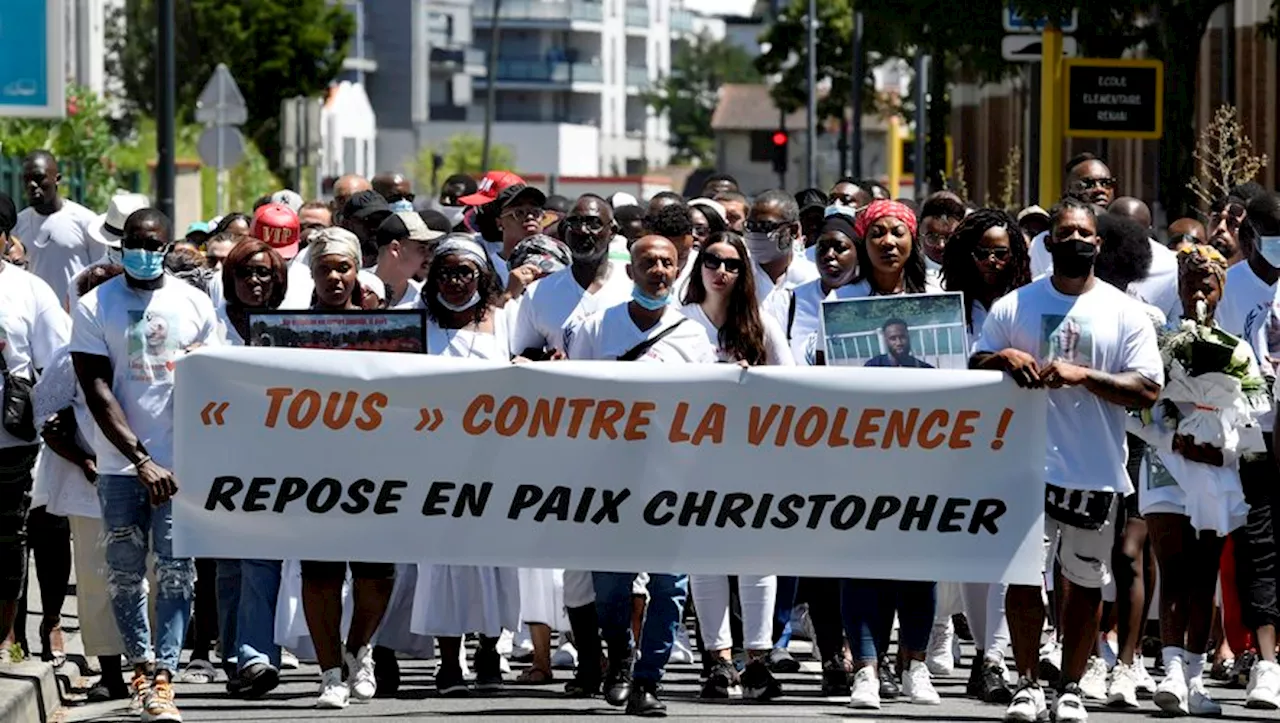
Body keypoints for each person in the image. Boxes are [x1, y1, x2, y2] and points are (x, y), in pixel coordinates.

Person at [972, 197, 1163, 723]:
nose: (1076, 241)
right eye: (1066, 233)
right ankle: (1028, 684)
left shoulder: (1124, 312)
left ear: (1098, 244)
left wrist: (1085, 378)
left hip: (1093, 470)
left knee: (1083, 582)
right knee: (1024, 580)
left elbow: (1146, 388)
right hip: (1023, 467)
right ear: (1049, 243)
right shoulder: (1015, 305)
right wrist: (1001, 357)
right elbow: (974, 367)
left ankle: (1072, 687)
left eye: (1086, 234)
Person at [70, 207, 220, 722]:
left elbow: (218, 379)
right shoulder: (95, 304)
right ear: (120, 247)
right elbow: (95, 387)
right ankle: (140, 667)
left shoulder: (195, 302)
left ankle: (165, 678)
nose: (142, 251)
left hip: (181, 465)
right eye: (133, 243)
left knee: (179, 573)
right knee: (125, 574)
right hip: (120, 467)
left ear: (166, 246)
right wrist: (139, 459)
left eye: (152, 243)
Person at [568, 235, 715, 715]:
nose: (657, 270)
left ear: (678, 271)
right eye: (648, 262)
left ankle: (649, 680)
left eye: (667, 263)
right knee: (610, 587)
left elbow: (709, 409)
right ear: (630, 271)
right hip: (609, 482)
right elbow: (572, 396)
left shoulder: (693, 337)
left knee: (670, 586)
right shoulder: (596, 327)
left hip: (672, 482)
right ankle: (620, 660)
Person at [1135, 244, 1244, 716]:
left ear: (1220, 289)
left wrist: (1221, 447)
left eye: (1208, 283)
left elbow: (1249, 412)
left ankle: (1195, 678)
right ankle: (1172, 672)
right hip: (1166, 464)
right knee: (1173, 569)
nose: (1199, 290)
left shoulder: (1237, 348)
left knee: (1203, 576)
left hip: (1213, 467)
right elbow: (1136, 404)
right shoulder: (1157, 340)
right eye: (1190, 282)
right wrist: (1171, 437)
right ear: (1178, 287)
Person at [680, 230, 789, 700]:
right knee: (706, 560)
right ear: (698, 266)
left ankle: (758, 660)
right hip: (691, 459)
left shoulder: (761, 323)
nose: (720, 271)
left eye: (732, 264)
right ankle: (719, 661)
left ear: (744, 272)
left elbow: (792, 386)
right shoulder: (678, 322)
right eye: (711, 261)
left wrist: (756, 381)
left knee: (756, 558)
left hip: (753, 457)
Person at [409, 234, 519, 695]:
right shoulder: (416, 324)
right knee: (442, 566)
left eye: (465, 272)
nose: (455, 281)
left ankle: (490, 650)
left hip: (494, 463)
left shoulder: (505, 321)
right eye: (446, 272)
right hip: (433, 463)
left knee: (493, 562)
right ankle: (449, 660)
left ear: (482, 277)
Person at [297, 227, 396, 709]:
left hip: (376, 469)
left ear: (358, 271)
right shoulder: (288, 331)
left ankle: (360, 651)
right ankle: (330, 672)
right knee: (320, 575)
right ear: (312, 273)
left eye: (343, 267)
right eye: (324, 268)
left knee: (377, 575)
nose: (334, 277)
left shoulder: (387, 331)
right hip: (312, 471)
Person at [212, 238, 289, 698]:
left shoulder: (289, 326)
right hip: (217, 458)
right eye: (246, 273)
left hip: (273, 461)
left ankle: (256, 655)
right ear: (231, 278)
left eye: (264, 274)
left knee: (260, 557)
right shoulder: (212, 323)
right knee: (228, 568)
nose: (256, 282)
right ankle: (234, 657)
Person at [1213, 191, 1280, 708]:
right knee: (1259, 544)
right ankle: (1265, 660)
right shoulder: (1226, 288)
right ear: (1249, 236)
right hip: (1250, 435)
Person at [13, 150, 106, 304]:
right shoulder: (18, 224)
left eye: (39, 178)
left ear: (57, 179)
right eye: (26, 180)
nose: (32, 185)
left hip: (75, 319)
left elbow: (100, 273)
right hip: (35, 319)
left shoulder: (85, 221)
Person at [743, 190, 819, 307]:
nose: (755, 234)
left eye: (765, 226)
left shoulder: (814, 279)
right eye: (750, 226)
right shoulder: (739, 277)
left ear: (793, 230)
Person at [372, 211, 447, 309]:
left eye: (430, 249)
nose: (429, 257)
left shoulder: (425, 301)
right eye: (422, 248)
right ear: (395, 249)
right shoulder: (355, 290)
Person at [918, 192, 968, 287]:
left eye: (949, 238)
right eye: (932, 237)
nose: (941, 245)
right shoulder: (910, 276)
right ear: (920, 234)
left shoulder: (976, 274)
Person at [864, 318, 935, 368]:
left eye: (902, 337)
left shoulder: (923, 369)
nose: (899, 343)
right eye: (893, 339)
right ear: (886, 340)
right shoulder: (872, 367)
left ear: (908, 337)